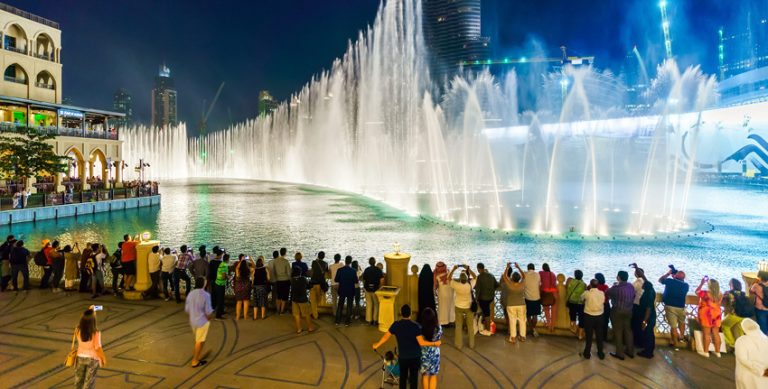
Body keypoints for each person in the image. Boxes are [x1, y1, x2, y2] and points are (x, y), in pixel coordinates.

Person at [373, 305, 441, 389]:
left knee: (403, 378)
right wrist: (435, 344)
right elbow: (421, 342)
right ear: (411, 313)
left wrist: (377, 344)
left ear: (401, 313)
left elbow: (386, 337)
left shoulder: (396, 325)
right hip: (415, 357)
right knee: (413, 379)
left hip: (403, 357)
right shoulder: (416, 326)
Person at [74, 307, 107, 389]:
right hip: (92, 359)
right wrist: (103, 358)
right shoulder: (96, 333)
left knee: (78, 380)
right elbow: (97, 348)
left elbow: (88, 313)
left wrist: (94, 309)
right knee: (89, 382)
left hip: (80, 357)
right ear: (93, 321)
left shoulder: (77, 330)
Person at [606, 270, 635, 360]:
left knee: (618, 331)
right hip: (629, 311)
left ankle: (620, 353)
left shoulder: (615, 288)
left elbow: (607, 293)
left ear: (618, 277)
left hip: (617, 311)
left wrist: (614, 285)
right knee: (628, 331)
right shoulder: (631, 286)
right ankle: (630, 351)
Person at [185, 277, 213, 367]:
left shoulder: (191, 294)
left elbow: (187, 309)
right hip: (202, 321)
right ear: (204, 284)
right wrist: (209, 318)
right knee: (199, 341)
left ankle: (198, 355)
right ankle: (195, 361)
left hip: (193, 321)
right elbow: (208, 311)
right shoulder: (206, 295)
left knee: (199, 340)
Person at [659, 267, 690, 347]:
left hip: (670, 307)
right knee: (682, 322)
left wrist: (668, 273)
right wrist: (675, 277)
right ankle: (681, 337)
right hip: (681, 307)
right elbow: (679, 283)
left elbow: (660, 280)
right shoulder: (686, 285)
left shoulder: (669, 281)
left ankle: (675, 342)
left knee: (673, 326)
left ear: (675, 276)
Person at [734, 318, 768, 389]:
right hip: (765, 375)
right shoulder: (766, 339)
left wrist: (760, 370)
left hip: (747, 376)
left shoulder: (741, 340)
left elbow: (742, 359)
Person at [449, 264, 476, 349]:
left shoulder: (456, 285)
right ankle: (471, 344)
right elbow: (475, 277)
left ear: (460, 279)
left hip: (458, 306)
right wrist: (468, 268)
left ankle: (459, 345)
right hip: (469, 307)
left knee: (458, 326)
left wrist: (453, 269)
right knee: (470, 326)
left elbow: (449, 278)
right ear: (467, 278)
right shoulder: (470, 285)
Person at [696, 277, 723, 358]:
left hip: (706, 315)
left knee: (706, 334)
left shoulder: (705, 293)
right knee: (716, 333)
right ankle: (718, 352)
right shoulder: (720, 294)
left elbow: (696, 291)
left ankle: (706, 351)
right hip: (716, 314)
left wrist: (702, 283)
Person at [723, 279, 754, 348]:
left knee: (724, 325)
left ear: (732, 285)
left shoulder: (728, 293)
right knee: (738, 330)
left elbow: (721, 299)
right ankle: (741, 347)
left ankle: (731, 343)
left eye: (730, 284)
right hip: (744, 315)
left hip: (735, 314)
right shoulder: (743, 293)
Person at [581, 279, 606, 360]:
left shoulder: (587, 293)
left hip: (589, 316)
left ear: (590, 285)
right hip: (599, 316)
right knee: (599, 335)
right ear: (598, 285)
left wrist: (587, 290)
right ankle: (600, 353)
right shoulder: (602, 293)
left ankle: (587, 353)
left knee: (589, 336)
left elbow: (581, 299)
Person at [501, 263, 526, 343]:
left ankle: (513, 338)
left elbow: (504, 276)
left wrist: (507, 267)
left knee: (512, 321)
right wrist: (518, 267)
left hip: (511, 305)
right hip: (521, 304)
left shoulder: (509, 285)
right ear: (519, 278)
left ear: (511, 278)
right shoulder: (522, 284)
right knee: (522, 321)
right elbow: (524, 276)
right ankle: (522, 337)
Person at [420, 307, 442, 389]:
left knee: (425, 375)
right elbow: (439, 339)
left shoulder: (421, 329)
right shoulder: (438, 328)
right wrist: (435, 343)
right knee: (433, 375)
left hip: (424, 354)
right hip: (435, 354)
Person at [474, 263, 498, 334]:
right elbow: (496, 285)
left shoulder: (479, 277)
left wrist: (476, 299)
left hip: (483, 299)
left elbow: (477, 290)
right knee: (486, 312)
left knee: (486, 314)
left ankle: (488, 329)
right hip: (490, 298)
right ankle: (486, 327)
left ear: (478, 269)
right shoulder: (491, 275)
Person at [335, 255, 358, 326]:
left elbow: (336, 279)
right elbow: (356, 281)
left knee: (340, 305)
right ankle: (347, 322)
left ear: (345, 261)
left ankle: (337, 321)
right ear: (350, 262)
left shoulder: (340, 270)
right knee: (349, 305)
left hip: (342, 289)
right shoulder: (353, 271)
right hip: (350, 290)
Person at [290, 266, 315, 333]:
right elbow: (309, 286)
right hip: (303, 299)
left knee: (296, 314)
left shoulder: (292, 280)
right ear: (300, 272)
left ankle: (299, 329)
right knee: (307, 314)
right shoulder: (303, 279)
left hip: (294, 299)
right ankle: (310, 327)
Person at [637, 278, 657, 358]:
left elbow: (648, 309)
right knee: (650, 334)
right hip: (651, 316)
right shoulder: (651, 291)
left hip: (648, 317)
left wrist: (644, 321)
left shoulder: (648, 295)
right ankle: (650, 349)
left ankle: (648, 352)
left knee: (648, 334)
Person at [363, 256, 384, 325]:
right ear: (375, 262)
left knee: (369, 304)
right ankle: (375, 320)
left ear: (369, 263)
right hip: (376, 289)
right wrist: (380, 288)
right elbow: (382, 280)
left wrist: (365, 287)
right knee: (376, 304)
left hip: (367, 289)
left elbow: (364, 279)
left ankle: (369, 320)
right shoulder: (378, 270)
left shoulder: (366, 270)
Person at [432, 262, 454, 327]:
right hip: (450, 291)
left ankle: (443, 322)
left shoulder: (435, 274)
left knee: (442, 307)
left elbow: (435, 285)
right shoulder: (448, 272)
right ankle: (450, 321)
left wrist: (434, 292)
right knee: (450, 306)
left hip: (442, 293)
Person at [566, 269, 586, 339]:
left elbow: (567, 288)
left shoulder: (570, 281)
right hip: (580, 304)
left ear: (575, 275)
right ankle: (580, 335)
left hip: (571, 302)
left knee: (572, 316)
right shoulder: (584, 284)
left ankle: (573, 328)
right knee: (581, 318)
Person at [309, 251, 329, 319]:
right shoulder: (326, 264)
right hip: (320, 284)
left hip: (313, 283)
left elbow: (312, 271)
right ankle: (315, 314)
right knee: (318, 299)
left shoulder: (314, 262)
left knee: (313, 300)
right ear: (323, 257)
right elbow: (326, 271)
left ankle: (314, 314)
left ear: (318, 256)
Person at [524, 263, 541, 337]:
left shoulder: (525, 274)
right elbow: (539, 284)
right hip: (536, 298)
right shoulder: (537, 275)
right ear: (534, 268)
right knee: (535, 315)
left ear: (528, 268)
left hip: (528, 298)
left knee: (528, 315)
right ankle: (533, 329)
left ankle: (531, 329)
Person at [539, 263, 558, 333]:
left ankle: (548, 325)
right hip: (554, 293)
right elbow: (555, 283)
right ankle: (553, 326)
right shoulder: (552, 274)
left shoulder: (541, 273)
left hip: (546, 293)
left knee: (546, 310)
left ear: (543, 268)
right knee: (554, 311)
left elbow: (539, 282)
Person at [234, 255, 253, 320]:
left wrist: (241, 261)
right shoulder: (248, 271)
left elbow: (236, 268)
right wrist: (251, 260)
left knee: (239, 302)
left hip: (238, 288)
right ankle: (245, 316)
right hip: (246, 287)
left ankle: (238, 316)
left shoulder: (238, 272)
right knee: (246, 301)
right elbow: (254, 267)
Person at [273, 249, 292, 315]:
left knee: (278, 296)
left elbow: (274, 271)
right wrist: (290, 280)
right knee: (284, 297)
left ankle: (277, 311)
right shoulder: (286, 261)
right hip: (285, 281)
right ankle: (282, 311)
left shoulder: (275, 261)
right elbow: (289, 273)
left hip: (278, 280)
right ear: (285, 253)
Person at [252, 256, 270, 320]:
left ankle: (255, 316)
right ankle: (262, 316)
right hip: (263, 286)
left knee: (255, 302)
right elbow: (268, 278)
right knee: (263, 302)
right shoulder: (265, 269)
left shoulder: (255, 270)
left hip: (256, 287)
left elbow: (253, 279)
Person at [213, 253, 229, 319]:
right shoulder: (225, 265)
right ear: (228, 259)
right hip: (220, 284)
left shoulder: (221, 263)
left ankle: (221, 311)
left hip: (217, 283)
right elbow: (223, 276)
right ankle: (218, 315)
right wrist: (227, 277)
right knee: (220, 300)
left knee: (221, 299)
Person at [595, 273, 611, 340]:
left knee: (598, 321)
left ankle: (598, 336)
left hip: (598, 305)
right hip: (606, 305)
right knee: (605, 321)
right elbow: (609, 297)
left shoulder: (595, 287)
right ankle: (604, 337)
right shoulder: (606, 287)